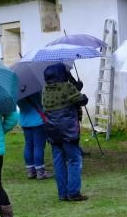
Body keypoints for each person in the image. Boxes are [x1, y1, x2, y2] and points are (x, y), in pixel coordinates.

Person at [42, 63, 89, 202]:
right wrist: (78, 88)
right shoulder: (67, 87)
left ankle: (62, 194)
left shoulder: (45, 90)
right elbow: (82, 100)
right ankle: (74, 192)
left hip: (52, 130)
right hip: (67, 128)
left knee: (58, 161)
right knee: (74, 160)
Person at [18, 95, 48, 179]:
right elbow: (43, 101)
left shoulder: (16, 90)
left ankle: (30, 171)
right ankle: (40, 172)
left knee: (28, 145)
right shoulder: (35, 89)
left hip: (24, 121)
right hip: (38, 120)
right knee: (38, 146)